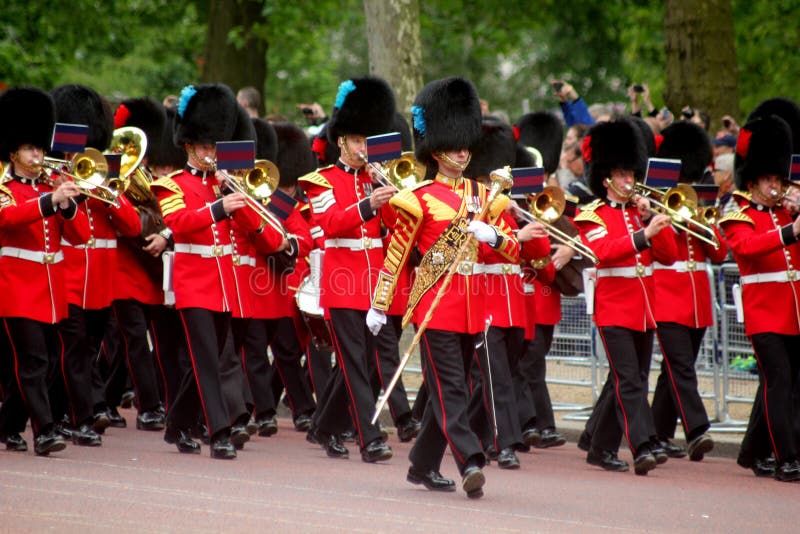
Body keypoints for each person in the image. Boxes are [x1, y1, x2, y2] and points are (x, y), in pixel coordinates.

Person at [368, 76, 519, 498]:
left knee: (453, 390)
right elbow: (397, 254)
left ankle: (420, 465)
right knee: (451, 386)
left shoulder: (487, 196)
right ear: (436, 149)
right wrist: (381, 304)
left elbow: (511, 253)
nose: (463, 152)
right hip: (434, 307)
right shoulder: (417, 197)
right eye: (455, 146)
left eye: (466, 145)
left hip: (473, 306)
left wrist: (493, 238)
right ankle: (470, 458)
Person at [151, 83, 276, 459]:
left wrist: (233, 196)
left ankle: (176, 425)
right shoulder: (171, 184)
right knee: (206, 359)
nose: (210, 153)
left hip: (225, 283)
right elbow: (179, 221)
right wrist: (219, 208)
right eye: (204, 147)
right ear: (188, 145)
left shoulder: (227, 183)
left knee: (209, 360)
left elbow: (253, 227)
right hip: (193, 281)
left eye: (214, 146)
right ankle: (219, 432)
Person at [298, 76, 396, 463]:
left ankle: (324, 426)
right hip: (341, 280)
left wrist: (391, 198)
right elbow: (330, 224)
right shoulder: (320, 180)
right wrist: (369, 205)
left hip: (375, 282)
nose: (362, 148)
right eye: (357, 141)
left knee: (367, 362)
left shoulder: (379, 179)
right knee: (354, 361)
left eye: (367, 141)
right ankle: (369, 437)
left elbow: (392, 226)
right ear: (341, 141)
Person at [574, 119, 678, 475]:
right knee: (629, 380)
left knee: (632, 380)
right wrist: (643, 235)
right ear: (605, 178)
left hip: (644, 309)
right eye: (620, 175)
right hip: (614, 309)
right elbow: (602, 251)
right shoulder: (591, 214)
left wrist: (653, 223)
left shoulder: (640, 214)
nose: (629, 181)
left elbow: (669, 256)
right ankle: (644, 444)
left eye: (630, 173)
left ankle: (601, 447)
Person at [50, 84, 142, 446]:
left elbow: (133, 226)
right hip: (67, 276)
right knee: (71, 352)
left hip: (101, 283)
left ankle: (67, 414)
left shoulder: (104, 177)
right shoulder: (55, 180)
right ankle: (81, 417)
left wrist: (110, 193)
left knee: (87, 351)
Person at [0, 86, 90, 455]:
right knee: (34, 360)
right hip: (16, 284)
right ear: (13, 152)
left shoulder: (54, 186)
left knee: (50, 360)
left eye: (39, 148)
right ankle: (46, 430)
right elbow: (8, 217)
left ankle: (7, 426)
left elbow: (82, 236)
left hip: (52, 286)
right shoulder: (4, 187)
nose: (37, 155)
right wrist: (49, 201)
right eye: (29, 149)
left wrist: (68, 206)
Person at [719, 114, 800, 482]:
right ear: (753, 181)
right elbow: (748, 249)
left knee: (785, 384)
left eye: (779, 179)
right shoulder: (739, 216)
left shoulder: (788, 211)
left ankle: (755, 450)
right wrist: (789, 231)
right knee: (779, 380)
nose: (775, 185)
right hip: (764, 312)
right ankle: (787, 457)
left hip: (794, 311)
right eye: (769, 179)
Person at [649, 121, 728, 460]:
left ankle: (658, 432)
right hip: (666, 296)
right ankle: (697, 429)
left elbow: (720, 254)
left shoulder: (696, 203)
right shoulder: (657, 204)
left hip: (696, 300)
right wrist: (668, 217)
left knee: (673, 370)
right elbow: (663, 251)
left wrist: (705, 222)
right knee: (682, 368)